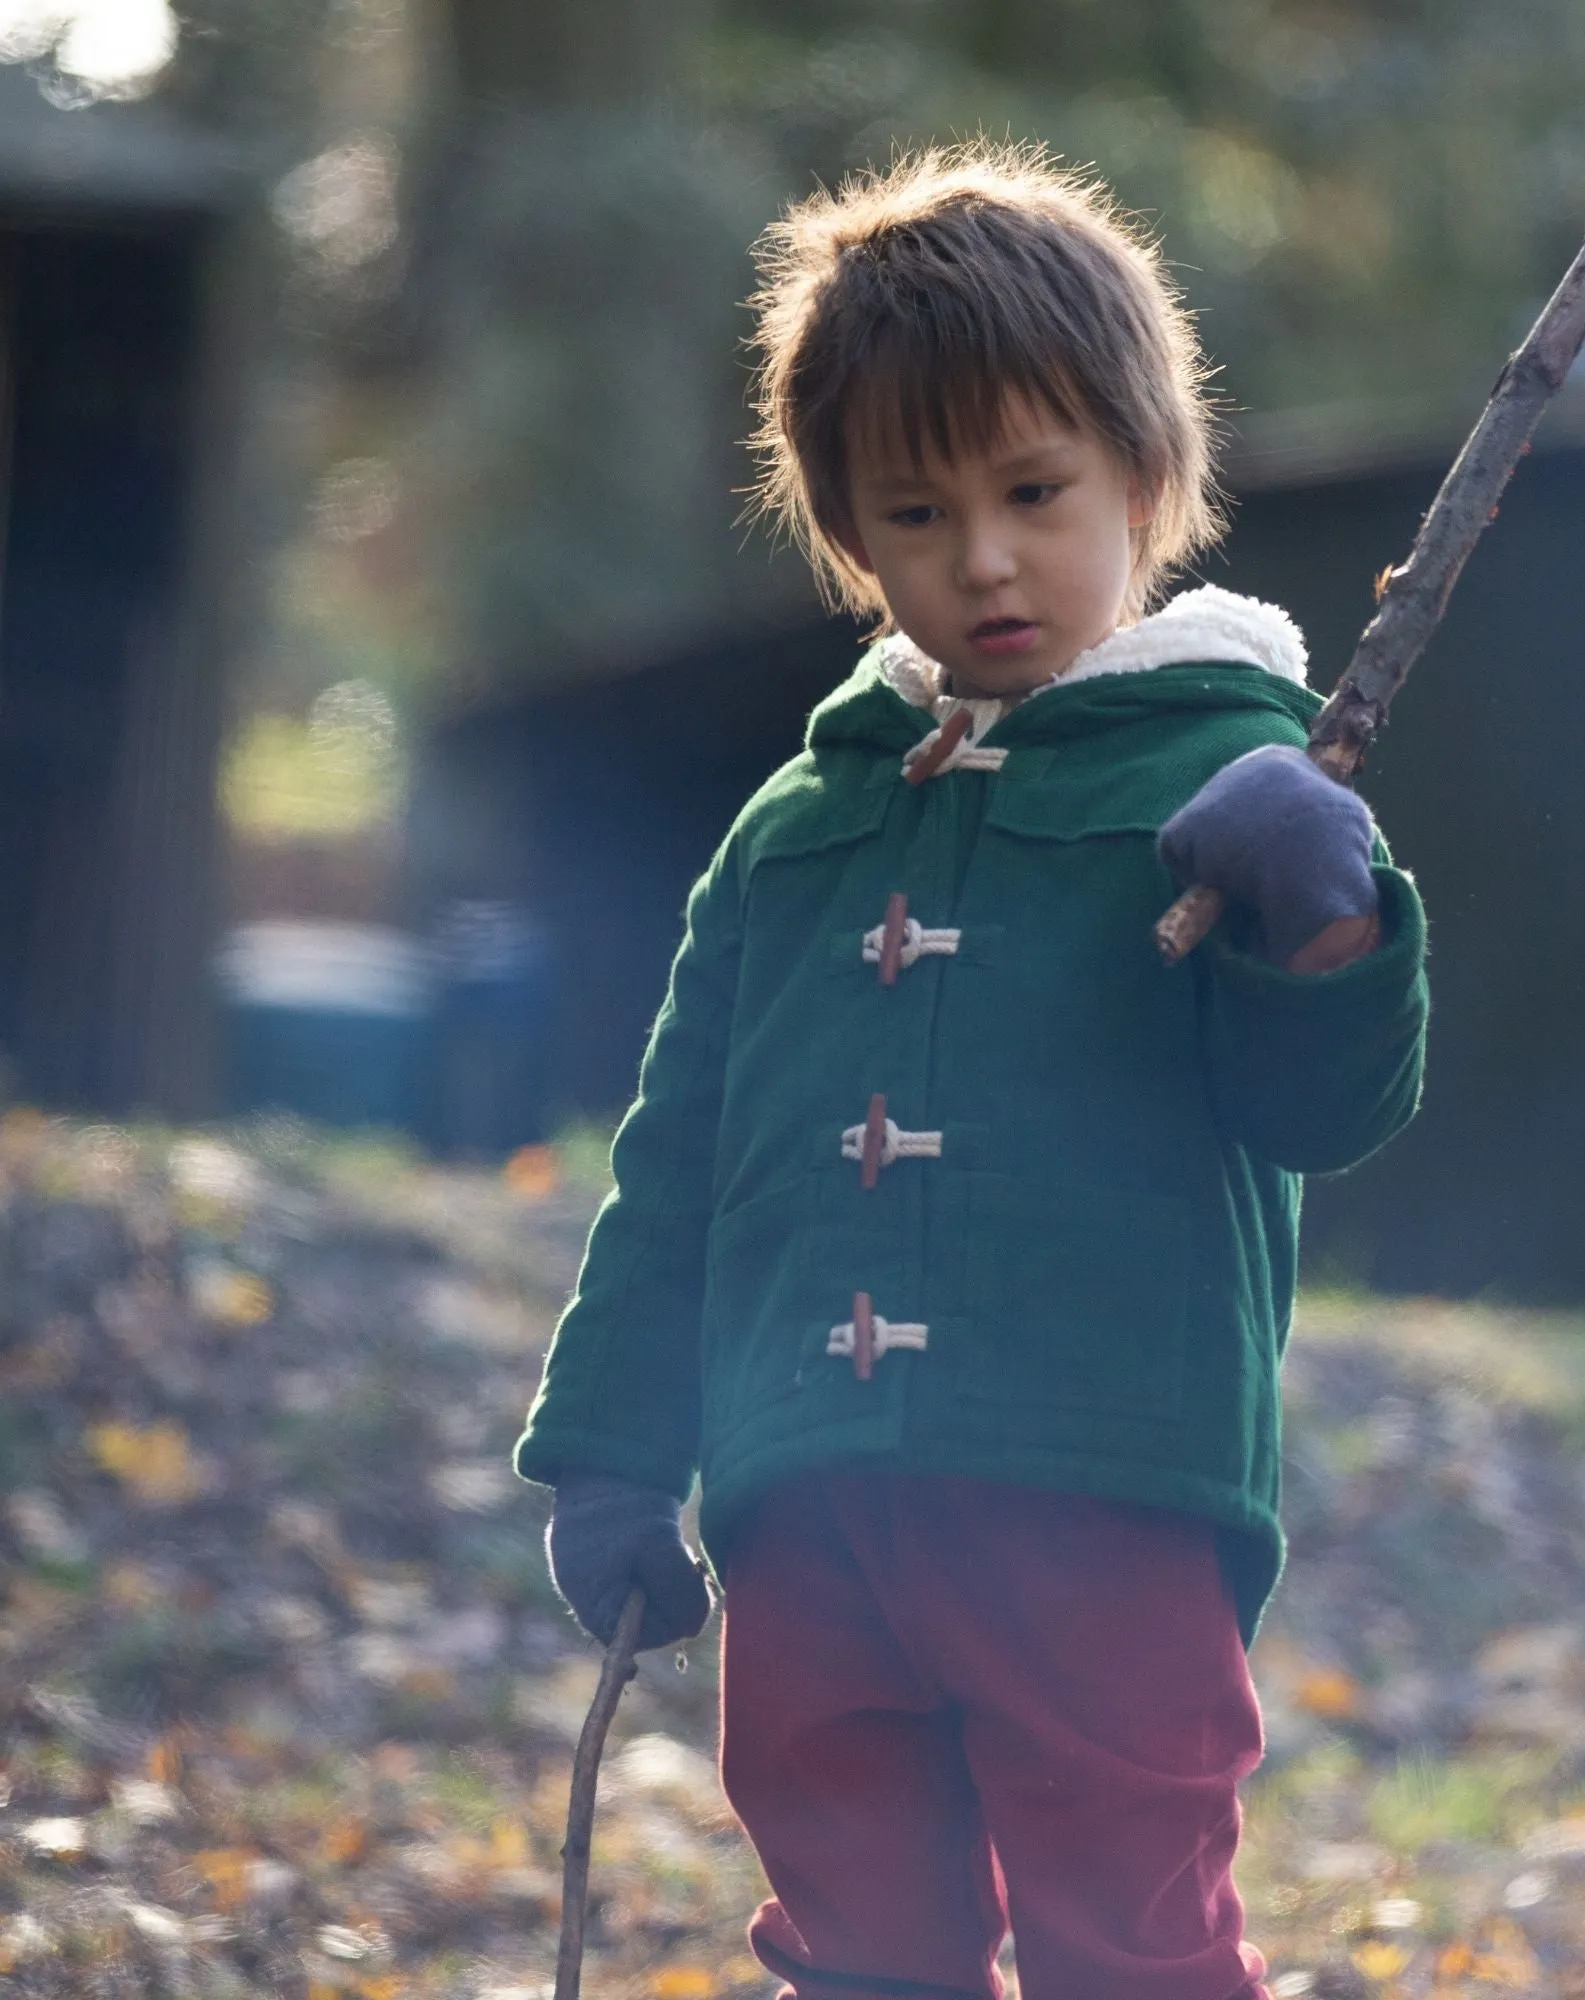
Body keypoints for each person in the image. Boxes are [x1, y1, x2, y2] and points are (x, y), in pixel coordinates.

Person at [515, 142, 1429, 2000]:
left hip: (1106, 1503)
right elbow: (679, 1156)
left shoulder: (1241, 782)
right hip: (811, 1510)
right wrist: (614, 1456)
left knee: (1131, 1943)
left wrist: (1330, 921)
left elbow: (1327, 1111)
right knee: (856, 1943)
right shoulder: (795, 829)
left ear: (1146, 478)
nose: (985, 557)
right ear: (851, 535)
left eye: (1034, 490)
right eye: (917, 515)